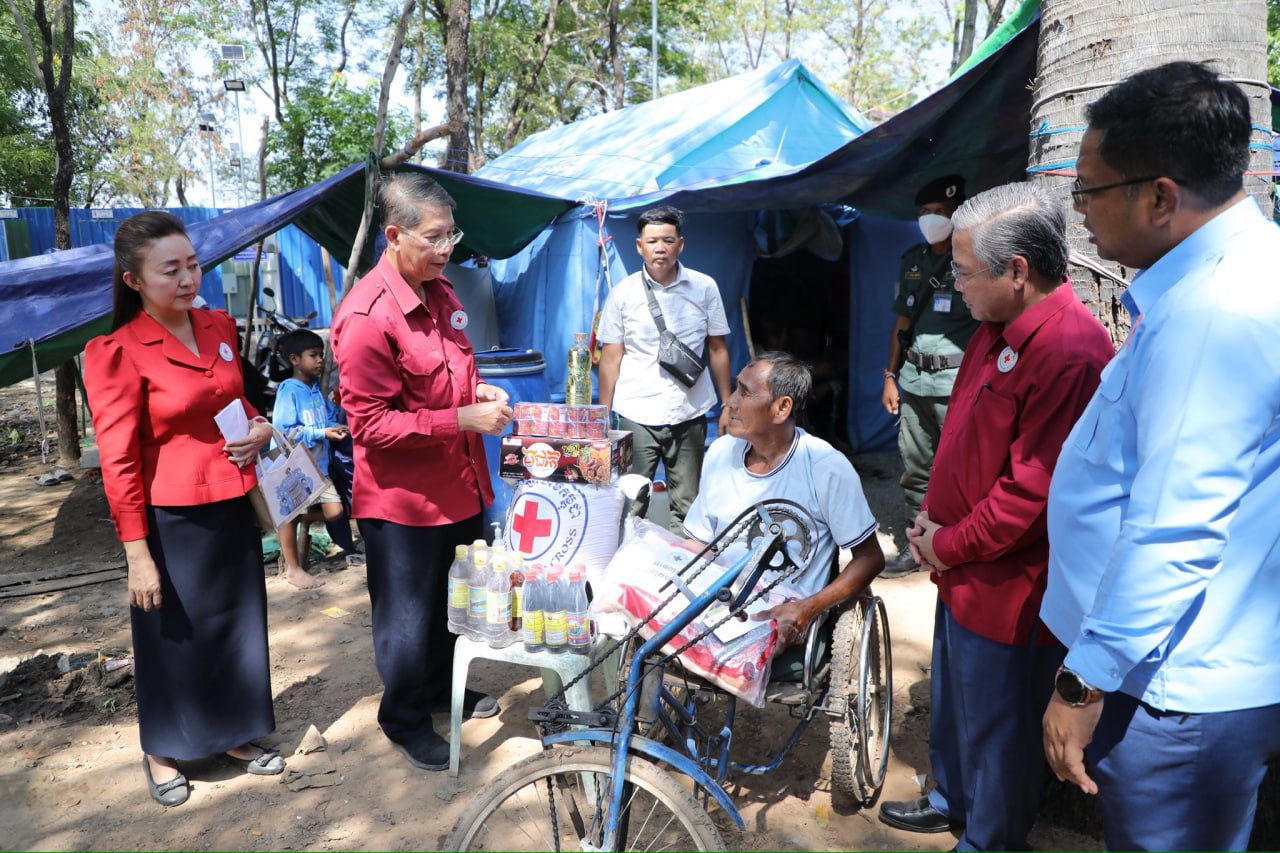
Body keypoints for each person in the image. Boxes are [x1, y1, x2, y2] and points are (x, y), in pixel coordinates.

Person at [1040, 62, 1280, 852]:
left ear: (1161, 196)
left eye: (1089, 191)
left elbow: (1175, 523)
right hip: (1179, 670)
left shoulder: (1212, 312)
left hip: (1169, 689)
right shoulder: (1221, 280)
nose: (1081, 214)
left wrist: (1084, 679)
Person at [876, 184, 1113, 848]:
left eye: (963, 270)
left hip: (1011, 586)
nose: (954, 283)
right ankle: (952, 798)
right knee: (957, 704)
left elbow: (1031, 495)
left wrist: (951, 542)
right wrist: (934, 529)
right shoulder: (994, 325)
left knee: (1002, 729)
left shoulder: (1069, 352)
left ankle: (989, 837)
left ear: (1017, 271)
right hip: (959, 565)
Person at [83, 211, 284, 808]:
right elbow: (117, 460)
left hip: (229, 502)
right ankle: (164, 748)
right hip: (168, 519)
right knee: (171, 634)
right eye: (170, 270)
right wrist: (136, 554)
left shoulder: (218, 325)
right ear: (134, 282)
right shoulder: (117, 352)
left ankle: (235, 733)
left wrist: (262, 428)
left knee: (235, 626)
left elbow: (240, 401)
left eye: (192, 264)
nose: (188, 277)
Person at [331, 172, 511, 772]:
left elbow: (450, 371)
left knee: (451, 602)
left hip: (457, 484)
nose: (447, 248)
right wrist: (462, 417)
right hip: (402, 502)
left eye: (451, 234)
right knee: (405, 623)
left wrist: (477, 389)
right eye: (434, 237)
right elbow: (371, 427)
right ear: (394, 235)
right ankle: (404, 716)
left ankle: (440, 691)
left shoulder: (440, 291)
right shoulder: (367, 317)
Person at [683, 352, 884, 667]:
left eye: (745, 392)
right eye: (735, 390)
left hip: (780, 615)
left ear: (782, 408)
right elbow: (699, 544)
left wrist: (806, 609)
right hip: (717, 607)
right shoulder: (721, 453)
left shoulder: (826, 467)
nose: (730, 403)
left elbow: (870, 558)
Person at [598, 206, 733, 534]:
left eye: (668, 240)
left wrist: (728, 405)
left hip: (690, 412)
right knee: (631, 502)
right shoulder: (623, 293)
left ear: (681, 244)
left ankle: (678, 575)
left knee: (687, 505)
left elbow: (718, 350)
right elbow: (611, 358)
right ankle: (628, 573)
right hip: (636, 413)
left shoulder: (704, 288)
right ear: (639, 246)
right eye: (653, 240)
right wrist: (602, 414)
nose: (661, 247)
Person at [880, 176, 979, 577]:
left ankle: (958, 545)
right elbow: (902, 324)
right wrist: (890, 375)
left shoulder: (972, 261)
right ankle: (914, 545)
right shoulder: (914, 261)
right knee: (916, 467)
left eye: (939, 212)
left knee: (962, 468)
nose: (930, 220)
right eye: (924, 213)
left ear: (957, 214)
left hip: (958, 384)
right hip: (914, 380)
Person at [270, 328, 351, 589]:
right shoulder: (289, 390)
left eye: (321, 355)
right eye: (313, 355)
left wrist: (334, 427)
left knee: (335, 511)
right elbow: (285, 430)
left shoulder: (315, 389)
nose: (319, 360)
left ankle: (294, 515)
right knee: (290, 512)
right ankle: (293, 568)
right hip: (294, 467)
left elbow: (323, 419)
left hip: (319, 468)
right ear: (295, 359)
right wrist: (321, 432)